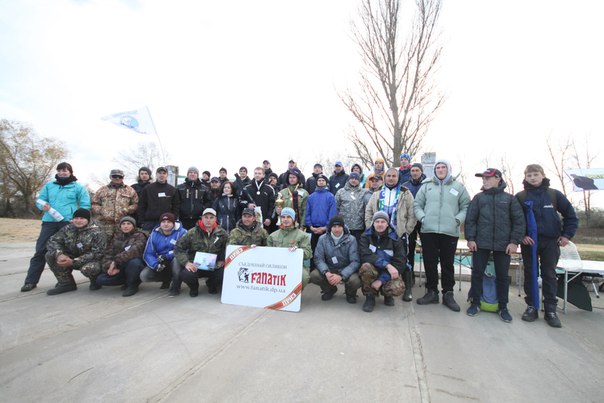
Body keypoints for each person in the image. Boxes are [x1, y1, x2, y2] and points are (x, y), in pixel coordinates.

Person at [516, 164, 578, 328]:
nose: (532, 178)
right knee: (530, 274)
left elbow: (571, 216)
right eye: (529, 175)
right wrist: (522, 236)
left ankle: (550, 310)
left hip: (551, 241)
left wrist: (566, 235)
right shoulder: (521, 197)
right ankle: (532, 306)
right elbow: (515, 219)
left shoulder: (554, 195)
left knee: (549, 275)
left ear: (543, 175)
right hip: (530, 242)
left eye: (536, 174)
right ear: (525, 177)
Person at [465, 168, 525, 322]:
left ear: (498, 178)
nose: (484, 181)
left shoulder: (510, 199)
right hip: (481, 243)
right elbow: (470, 220)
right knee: (477, 274)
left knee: (503, 276)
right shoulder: (478, 198)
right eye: (483, 178)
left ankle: (503, 306)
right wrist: (470, 239)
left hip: (503, 245)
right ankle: (475, 303)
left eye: (488, 178)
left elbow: (519, 222)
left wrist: (514, 242)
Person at [21, 162, 91, 292]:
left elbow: (85, 205)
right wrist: (42, 206)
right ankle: (30, 281)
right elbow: (40, 200)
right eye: (60, 170)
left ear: (70, 172)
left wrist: (79, 219)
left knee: (67, 251)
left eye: (65, 170)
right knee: (41, 251)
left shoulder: (78, 187)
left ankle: (65, 281)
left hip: (68, 222)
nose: (62, 173)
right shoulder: (49, 185)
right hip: (49, 222)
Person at [414, 159, 470, 312]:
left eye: (443, 167)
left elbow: (466, 206)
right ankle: (432, 292)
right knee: (429, 263)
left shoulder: (458, 187)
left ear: (449, 169)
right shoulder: (426, 186)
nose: (440, 169)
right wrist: (423, 218)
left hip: (449, 231)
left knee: (447, 263)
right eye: (437, 167)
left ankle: (448, 293)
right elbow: (417, 204)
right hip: (428, 231)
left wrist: (457, 220)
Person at [365, 167, 416, 301]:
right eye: (389, 176)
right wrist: (371, 227)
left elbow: (412, 213)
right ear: (385, 177)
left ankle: (407, 289)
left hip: (398, 233)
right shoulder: (377, 193)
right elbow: (368, 211)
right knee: (379, 258)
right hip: (379, 232)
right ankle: (376, 290)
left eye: (394, 176)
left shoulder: (405, 193)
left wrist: (406, 230)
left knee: (403, 260)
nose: (391, 178)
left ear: (398, 178)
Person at [45, 208, 106, 295]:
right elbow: (53, 241)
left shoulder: (97, 232)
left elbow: (98, 253)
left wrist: (74, 261)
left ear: (88, 219)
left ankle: (95, 281)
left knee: (89, 268)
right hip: (72, 256)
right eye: (76, 218)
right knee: (50, 255)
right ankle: (66, 283)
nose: (78, 221)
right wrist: (60, 254)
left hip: (91, 260)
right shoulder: (68, 228)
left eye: (82, 218)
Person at [359, 211, 407, 312]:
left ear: (387, 224)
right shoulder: (365, 237)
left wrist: (381, 280)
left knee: (398, 288)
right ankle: (370, 296)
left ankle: (387, 295)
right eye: (377, 221)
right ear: (373, 223)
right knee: (366, 267)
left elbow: (400, 262)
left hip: (387, 274)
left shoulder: (395, 239)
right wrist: (387, 265)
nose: (380, 224)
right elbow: (365, 255)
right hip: (373, 270)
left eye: (383, 222)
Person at [175, 208, 228, 297]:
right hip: (196, 266)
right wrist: (186, 263)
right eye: (206, 217)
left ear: (215, 219)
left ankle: (211, 284)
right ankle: (194, 287)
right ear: (201, 218)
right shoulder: (192, 232)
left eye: (211, 217)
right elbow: (178, 248)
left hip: (214, 266)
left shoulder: (222, 233)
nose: (208, 220)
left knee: (225, 272)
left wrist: (222, 260)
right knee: (186, 274)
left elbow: (227, 248)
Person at [310, 215, 361, 303]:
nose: (337, 229)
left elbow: (355, 262)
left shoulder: (351, 239)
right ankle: (330, 289)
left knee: (355, 281)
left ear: (343, 227)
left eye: (339, 226)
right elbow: (318, 258)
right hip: (330, 268)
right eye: (334, 226)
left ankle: (350, 293)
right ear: (330, 227)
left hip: (345, 268)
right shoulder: (322, 239)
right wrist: (326, 272)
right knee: (314, 275)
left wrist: (341, 275)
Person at [96, 216, 147, 297]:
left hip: (132, 265)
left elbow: (133, 252)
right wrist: (110, 267)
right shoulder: (116, 236)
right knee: (100, 279)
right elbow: (108, 254)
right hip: (119, 266)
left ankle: (132, 285)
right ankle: (126, 281)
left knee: (135, 263)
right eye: (123, 224)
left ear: (133, 226)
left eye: (128, 224)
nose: (125, 226)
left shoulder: (140, 236)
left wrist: (115, 262)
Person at [140, 212, 187, 296]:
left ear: (173, 223)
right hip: (160, 260)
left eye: (169, 222)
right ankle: (166, 279)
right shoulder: (154, 234)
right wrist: (155, 264)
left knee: (177, 260)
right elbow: (148, 253)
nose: (166, 224)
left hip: (175, 259)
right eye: (163, 222)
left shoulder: (182, 232)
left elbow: (183, 250)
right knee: (144, 276)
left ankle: (176, 285)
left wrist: (167, 256)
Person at [267, 207, 312, 289]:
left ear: (293, 219)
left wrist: (298, 251)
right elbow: (267, 253)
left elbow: (308, 253)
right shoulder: (272, 236)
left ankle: (295, 293)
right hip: (276, 265)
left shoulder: (303, 235)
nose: (285, 219)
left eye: (288, 217)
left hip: (295, 265)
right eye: (283, 217)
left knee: (304, 276)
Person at [91, 168, 139, 243]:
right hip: (105, 224)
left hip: (123, 224)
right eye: (115, 176)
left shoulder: (130, 190)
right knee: (104, 243)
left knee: (121, 244)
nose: (117, 178)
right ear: (110, 177)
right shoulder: (102, 190)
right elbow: (94, 203)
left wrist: (127, 210)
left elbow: (135, 204)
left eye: (120, 177)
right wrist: (102, 211)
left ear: (123, 177)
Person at [401, 162, 427, 295]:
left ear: (421, 172)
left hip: (424, 221)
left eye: (417, 170)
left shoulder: (427, 185)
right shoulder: (405, 186)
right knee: (409, 248)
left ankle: (429, 276)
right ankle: (409, 276)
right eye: (412, 170)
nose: (415, 173)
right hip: (409, 220)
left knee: (428, 250)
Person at [305, 173, 337, 268]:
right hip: (313, 228)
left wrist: (326, 227)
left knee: (325, 249)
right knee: (313, 248)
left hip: (325, 229)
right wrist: (310, 226)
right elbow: (307, 212)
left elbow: (332, 213)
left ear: (326, 183)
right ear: (316, 182)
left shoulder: (330, 196)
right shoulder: (311, 197)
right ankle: (312, 268)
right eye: (319, 180)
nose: (321, 182)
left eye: (323, 180)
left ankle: (325, 268)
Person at [138, 166, 179, 231]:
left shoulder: (172, 190)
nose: (161, 175)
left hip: (166, 222)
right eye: (159, 173)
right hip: (149, 222)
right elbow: (142, 205)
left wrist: (174, 219)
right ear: (156, 175)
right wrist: (141, 221)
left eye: (164, 173)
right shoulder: (148, 188)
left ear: (167, 175)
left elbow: (176, 206)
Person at [335, 172, 369, 242]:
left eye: (356, 179)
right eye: (352, 178)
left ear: (359, 180)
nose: (354, 180)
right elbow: (336, 207)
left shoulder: (364, 192)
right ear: (349, 179)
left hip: (359, 226)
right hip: (344, 226)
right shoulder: (341, 192)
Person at [240, 167, 276, 231]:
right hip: (250, 221)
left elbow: (273, 205)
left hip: (265, 221)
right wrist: (248, 204)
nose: (257, 175)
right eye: (255, 173)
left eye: (259, 173)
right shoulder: (247, 188)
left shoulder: (269, 188)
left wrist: (269, 218)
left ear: (263, 175)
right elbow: (240, 201)